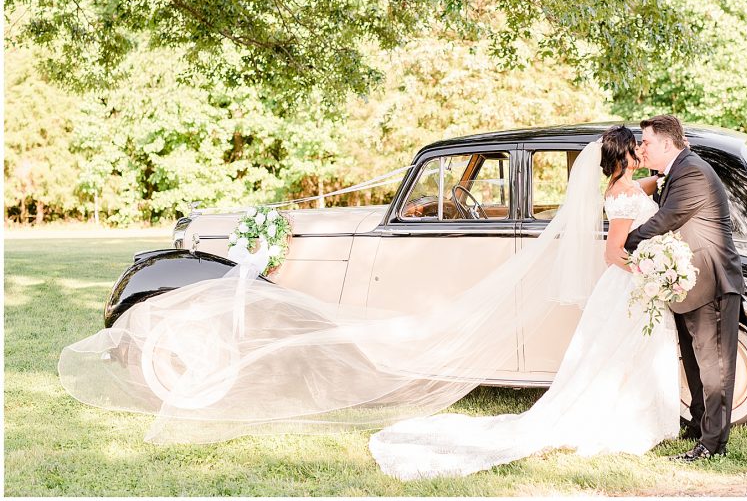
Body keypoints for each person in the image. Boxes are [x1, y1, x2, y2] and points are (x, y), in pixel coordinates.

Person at [58, 126, 683, 479]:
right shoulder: (627, 189)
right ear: (625, 160)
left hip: (623, 278)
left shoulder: (630, 188)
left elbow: (616, 241)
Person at [621, 114, 746, 462]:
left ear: (665, 143)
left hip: (712, 281)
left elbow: (665, 220)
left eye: (645, 142)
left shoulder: (691, 171)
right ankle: (698, 424)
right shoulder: (672, 172)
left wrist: (623, 242)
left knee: (715, 367)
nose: (641, 147)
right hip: (687, 282)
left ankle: (713, 445)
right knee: (693, 361)